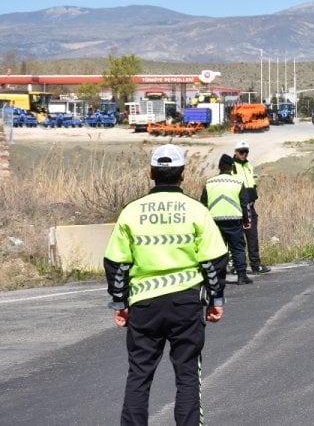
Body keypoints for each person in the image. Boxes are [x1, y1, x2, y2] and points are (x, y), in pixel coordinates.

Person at [103, 143, 228, 425]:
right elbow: (214, 260)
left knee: (139, 374)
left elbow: (116, 263)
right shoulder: (196, 210)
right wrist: (216, 299)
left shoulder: (131, 212)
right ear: (183, 174)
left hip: (143, 305)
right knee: (187, 375)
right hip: (186, 303)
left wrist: (120, 302)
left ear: (150, 173)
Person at [200, 153, 252, 285]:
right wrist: (247, 222)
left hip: (214, 222)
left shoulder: (209, 183)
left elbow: (203, 205)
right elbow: (245, 204)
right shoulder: (238, 182)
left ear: (219, 166)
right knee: (238, 248)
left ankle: (218, 277)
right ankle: (241, 276)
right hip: (234, 220)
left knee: (217, 250)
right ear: (231, 167)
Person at [232, 141, 270, 273]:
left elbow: (251, 183)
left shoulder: (248, 165)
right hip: (237, 206)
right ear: (236, 152)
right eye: (241, 152)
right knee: (238, 238)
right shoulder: (232, 166)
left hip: (250, 205)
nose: (244, 154)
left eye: (246, 152)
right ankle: (237, 266)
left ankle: (256, 264)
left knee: (252, 236)